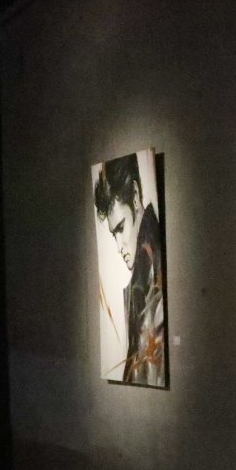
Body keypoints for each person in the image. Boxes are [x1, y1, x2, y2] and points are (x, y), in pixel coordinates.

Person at [92, 155, 166, 386]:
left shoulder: (152, 277)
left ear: (135, 197)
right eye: (113, 234)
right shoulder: (143, 278)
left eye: (121, 228)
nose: (119, 246)